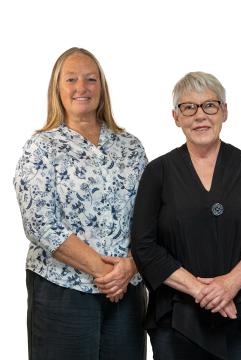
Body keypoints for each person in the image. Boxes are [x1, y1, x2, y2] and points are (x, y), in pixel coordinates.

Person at [131, 71, 241, 360]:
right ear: (176, 117)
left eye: (209, 105)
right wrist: (201, 290)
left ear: (224, 111)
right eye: (189, 107)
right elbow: (144, 245)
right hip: (175, 317)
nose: (200, 116)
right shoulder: (157, 173)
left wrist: (230, 284)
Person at [14, 47, 147, 360]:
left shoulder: (130, 146)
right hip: (62, 290)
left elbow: (151, 216)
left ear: (102, 87)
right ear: (57, 89)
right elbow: (40, 224)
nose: (81, 88)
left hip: (126, 291)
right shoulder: (41, 147)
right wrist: (105, 272)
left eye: (91, 79)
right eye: (71, 79)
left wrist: (130, 267)